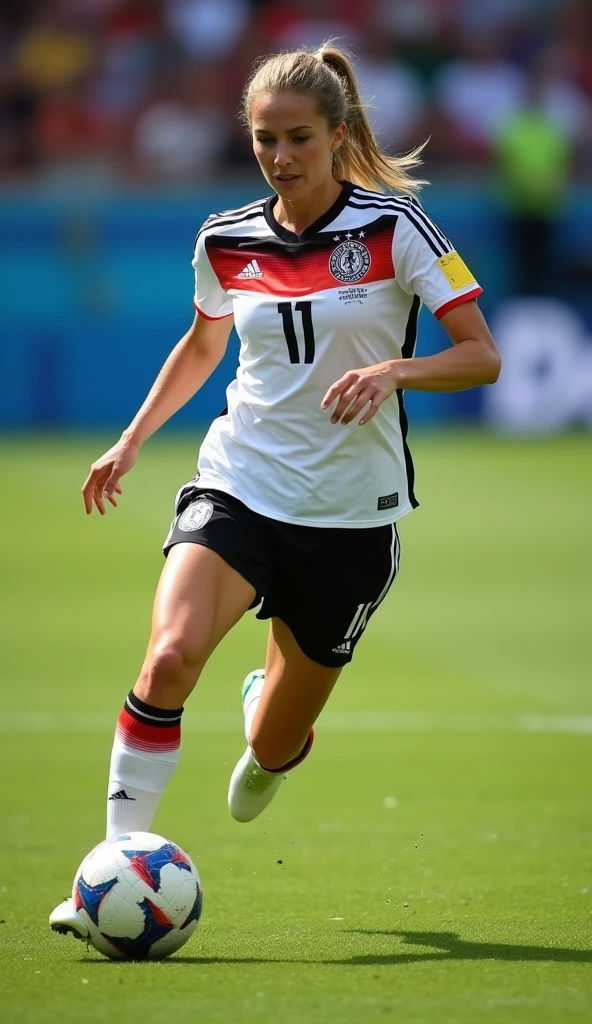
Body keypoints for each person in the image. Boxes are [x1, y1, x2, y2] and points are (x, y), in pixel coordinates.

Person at [49, 42, 500, 938]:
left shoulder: (397, 229)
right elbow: (203, 345)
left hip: (350, 517)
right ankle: (108, 870)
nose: (282, 157)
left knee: (270, 752)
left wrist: (394, 373)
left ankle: (272, 722)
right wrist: (133, 439)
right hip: (240, 482)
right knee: (170, 656)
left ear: (338, 136)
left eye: (299, 138)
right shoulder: (225, 237)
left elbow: (482, 355)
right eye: (264, 141)